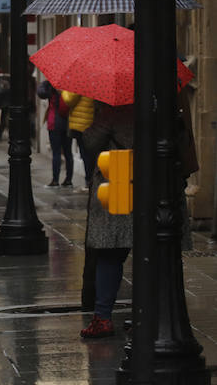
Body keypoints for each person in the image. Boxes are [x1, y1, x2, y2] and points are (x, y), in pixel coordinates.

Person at [80, 102, 133, 338]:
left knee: (110, 251)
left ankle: (102, 317)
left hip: (119, 175)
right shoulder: (161, 104)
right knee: (151, 254)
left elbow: (90, 141)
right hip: (153, 180)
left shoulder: (115, 110)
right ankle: (145, 312)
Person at [38, 80, 72, 188]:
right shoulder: (69, 85)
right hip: (67, 122)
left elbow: (40, 92)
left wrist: (48, 83)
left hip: (54, 123)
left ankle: (55, 180)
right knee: (68, 152)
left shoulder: (50, 85)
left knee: (56, 153)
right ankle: (68, 179)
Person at [62, 90, 95, 190]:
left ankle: (89, 181)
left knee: (85, 155)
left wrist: (64, 91)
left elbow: (69, 100)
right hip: (90, 122)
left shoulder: (80, 83)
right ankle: (90, 180)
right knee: (89, 155)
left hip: (81, 124)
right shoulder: (93, 84)